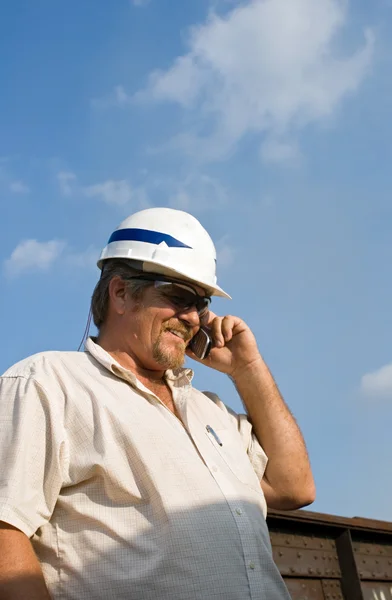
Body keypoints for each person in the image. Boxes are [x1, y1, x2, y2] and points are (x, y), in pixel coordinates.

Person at [0, 207, 315, 600]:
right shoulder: (47, 382)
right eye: (179, 296)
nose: (194, 319)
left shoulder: (210, 411)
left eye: (201, 305)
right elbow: (4, 532)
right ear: (120, 293)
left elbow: (294, 487)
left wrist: (248, 369)